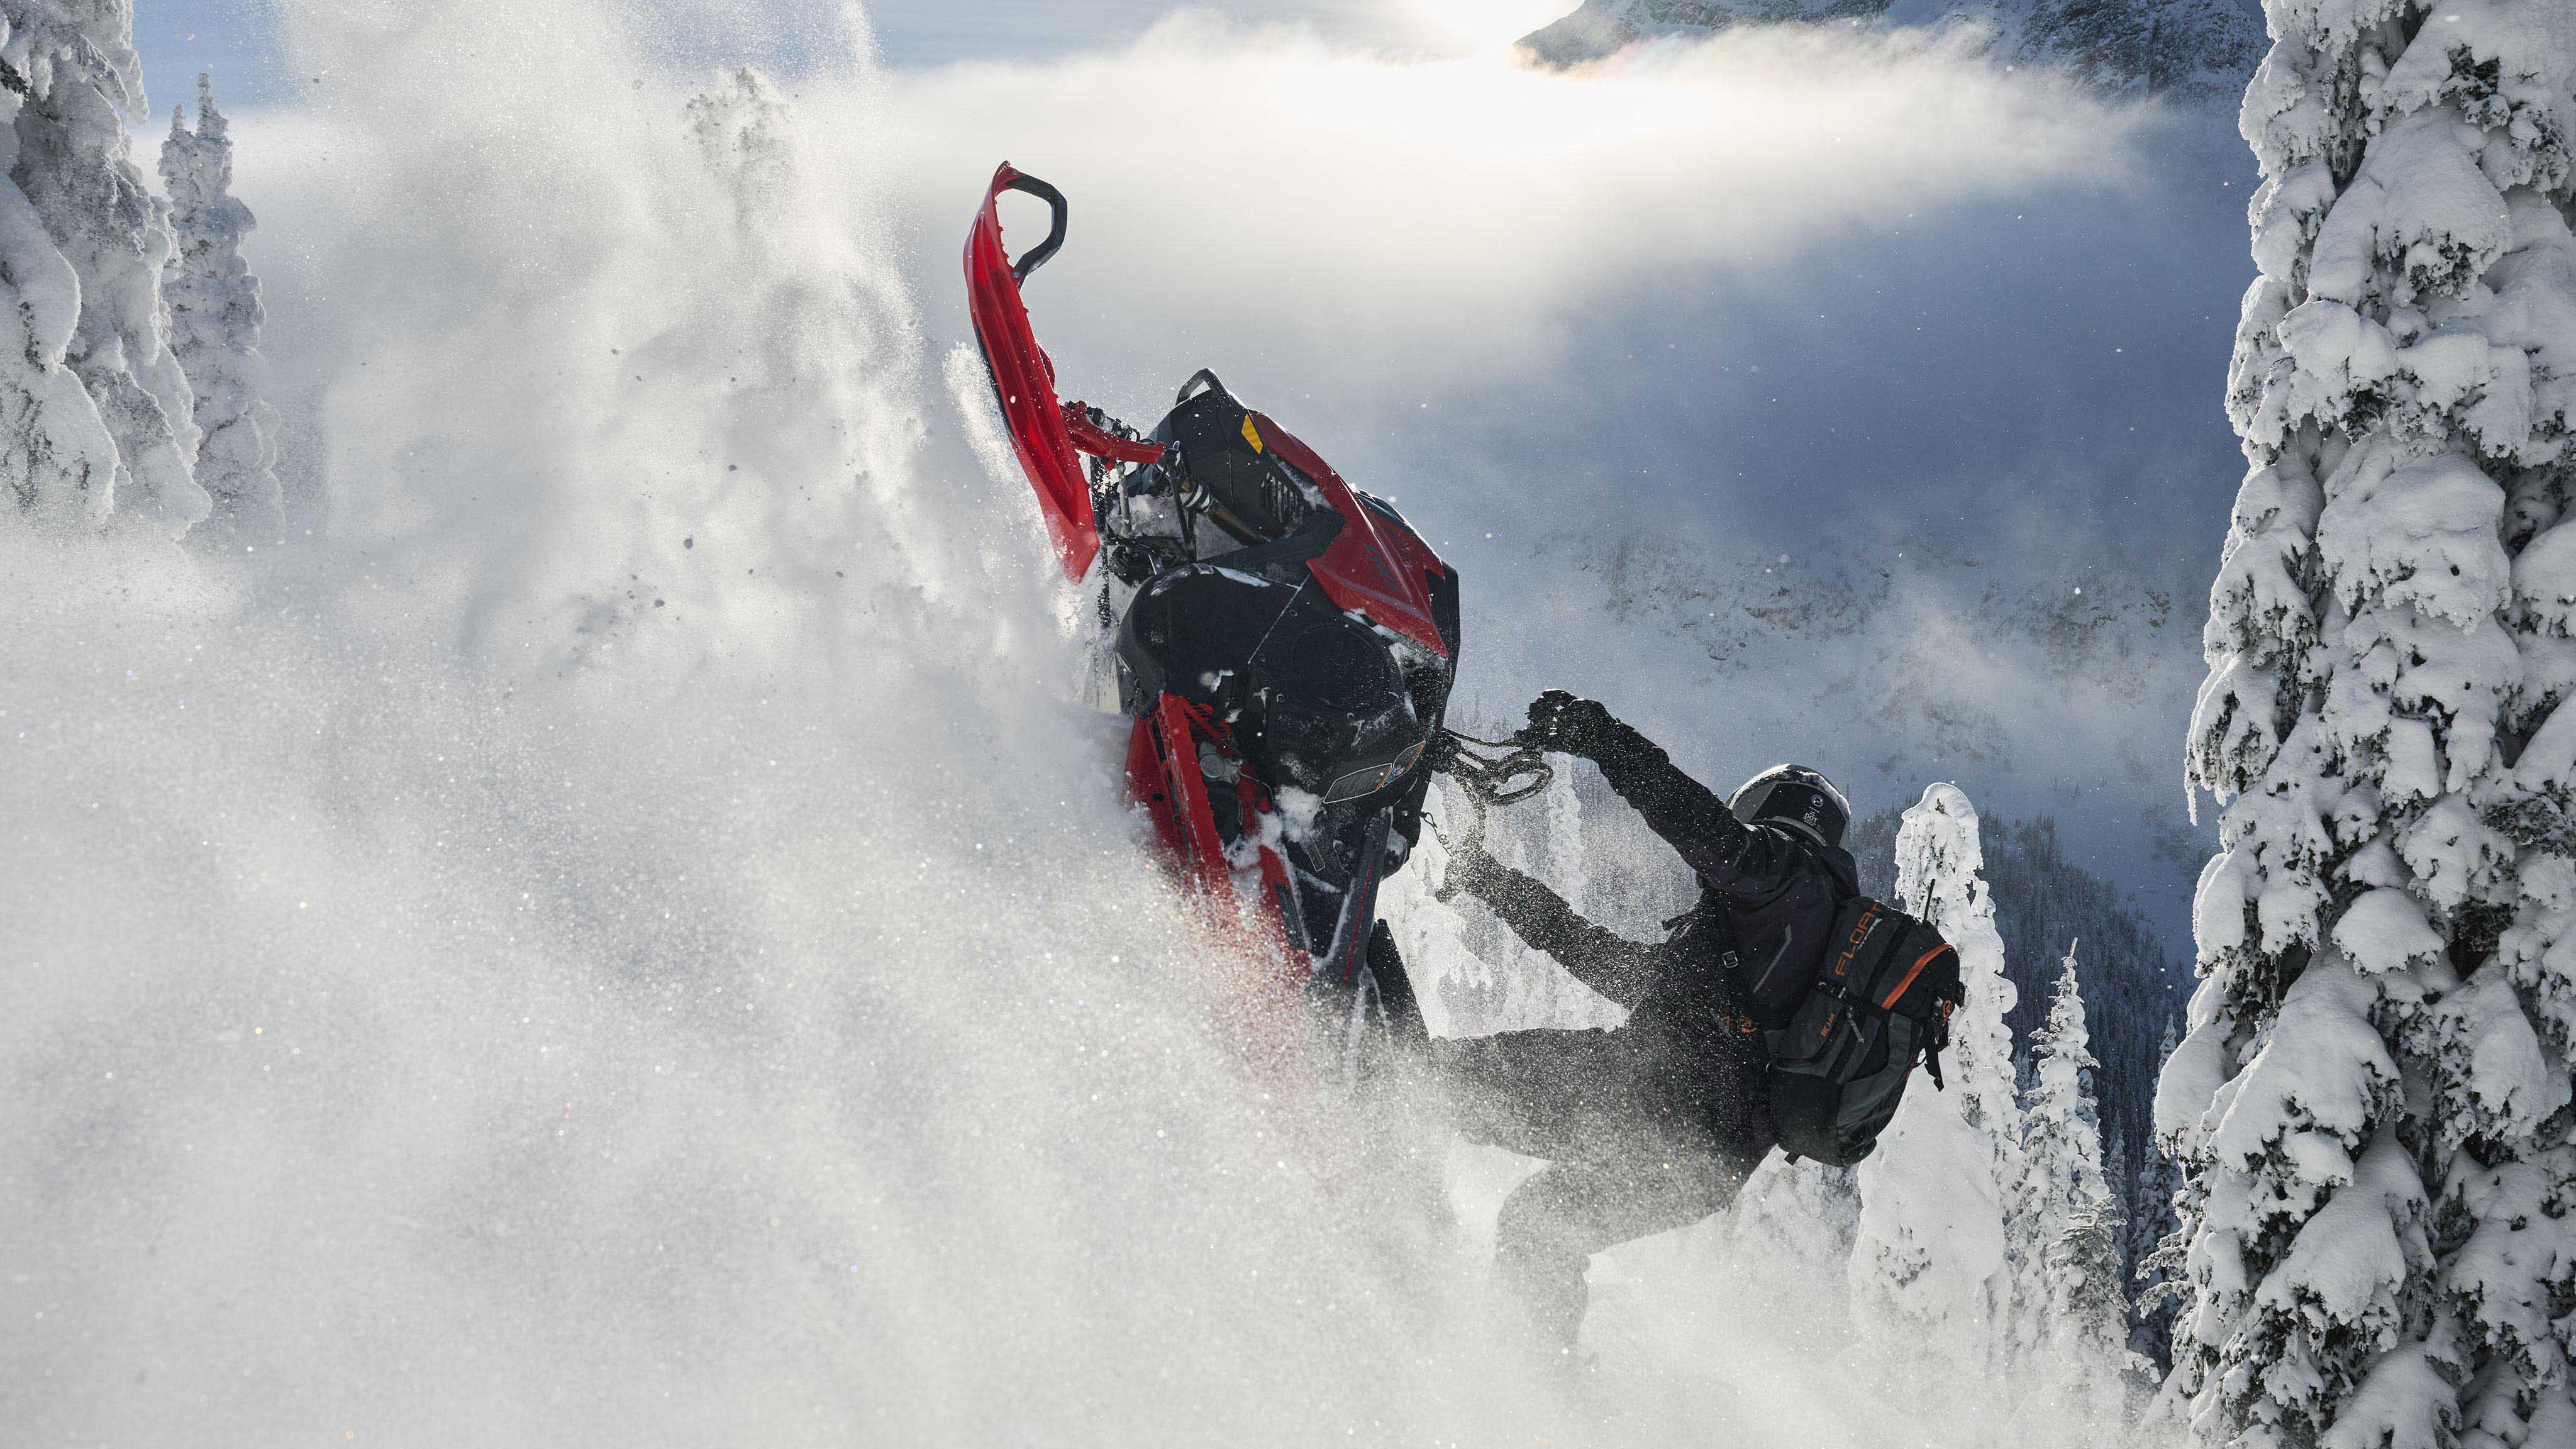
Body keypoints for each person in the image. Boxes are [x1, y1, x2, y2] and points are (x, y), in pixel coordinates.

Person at [1423, 690, 1858, 1351]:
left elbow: (1691, 819)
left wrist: (1602, 738)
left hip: (1652, 1104)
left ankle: (1361, 1227)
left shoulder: (1784, 879)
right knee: (1541, 1222)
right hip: (1702, 1167)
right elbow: (1611, 966)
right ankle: (1537, 1385)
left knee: (1423, 1080)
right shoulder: (1784, 945)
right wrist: (1492, 882)